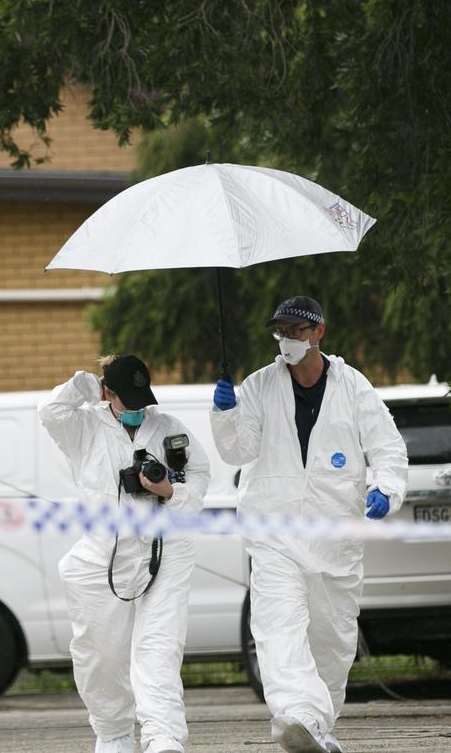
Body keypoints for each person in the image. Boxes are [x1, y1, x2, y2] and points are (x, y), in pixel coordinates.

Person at [211, 296, 408, 753]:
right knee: (278, 627)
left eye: (298, 331)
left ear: (319, 332)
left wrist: (386, 488)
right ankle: (297, 713)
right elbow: (238, 452)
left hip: (336, 540)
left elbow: (387, 448)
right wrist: (225, 415)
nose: (288, 340)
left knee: (332, 644)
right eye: (281, 331)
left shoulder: (353, 386)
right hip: (273, 534)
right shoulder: (259, 386)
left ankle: (317, 727)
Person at [39, 354, 210, 753]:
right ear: (107, 392)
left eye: (141, 399)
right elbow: (49, 412)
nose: (137, 408)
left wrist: (170, 492)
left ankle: (163, 737)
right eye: (126, 398)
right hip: (103, 552)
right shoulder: (82, 427)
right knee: (100, 653)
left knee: (159, 646)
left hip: (164, 548)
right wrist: (83, 386)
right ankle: (114, 733)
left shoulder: (169, 429)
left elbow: (199, 480)